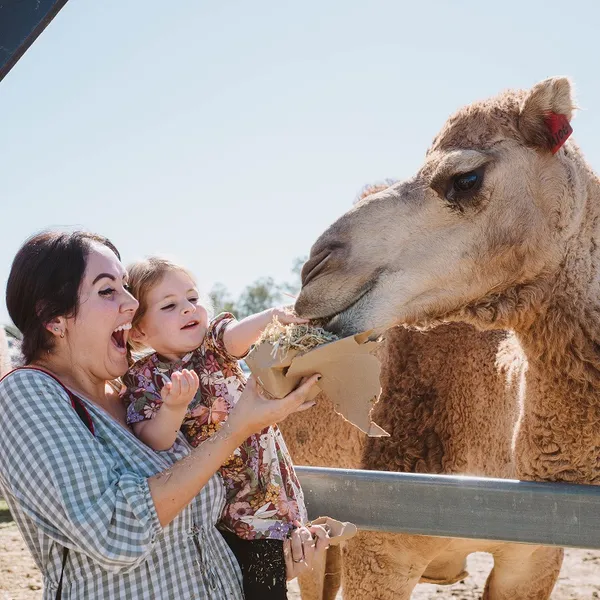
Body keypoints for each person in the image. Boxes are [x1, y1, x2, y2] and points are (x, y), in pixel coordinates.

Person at [0, 230, 328, 600]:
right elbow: (115, 532)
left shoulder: (137, 395)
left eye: (126, 287)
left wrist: (269, 564)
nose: (130, 303)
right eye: (108, 290)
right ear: (53, 319)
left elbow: (195, 533)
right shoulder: (28, 392)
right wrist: (236, 430)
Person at [122, 256, 311, 599]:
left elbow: (235, 335)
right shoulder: (142, 378)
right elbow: (154, 440)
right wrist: (173, 408)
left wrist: (272, 317)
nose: (187, 309)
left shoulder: (213, 347)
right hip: (205, 516)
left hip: (261, 504)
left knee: (264, 586)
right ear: (139, 330)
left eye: (193, 299)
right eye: (169, 305)